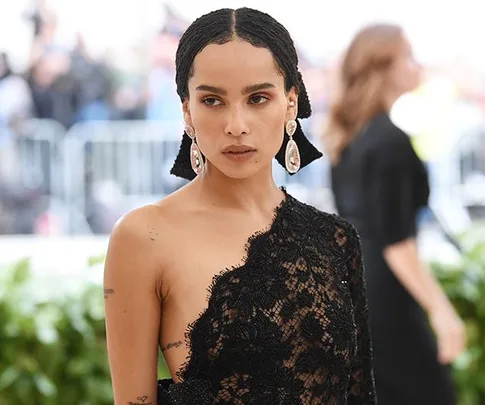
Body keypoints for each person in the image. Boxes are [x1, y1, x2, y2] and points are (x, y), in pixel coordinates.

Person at [104, 7, 376, 405]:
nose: (236, 124)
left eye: (258, 98)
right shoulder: (144, 236)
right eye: (213, 100)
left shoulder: (336, 240)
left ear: (290, 103)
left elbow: (359, 393)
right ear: (187, 110)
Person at [325, 23, 466, 405]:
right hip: (386, 293)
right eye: (408, 56)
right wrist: (442, 311)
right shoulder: (390, 140)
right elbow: (396, 244)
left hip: (353, 287)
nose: (417, 66)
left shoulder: (347, 138)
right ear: (383, 66)